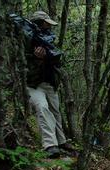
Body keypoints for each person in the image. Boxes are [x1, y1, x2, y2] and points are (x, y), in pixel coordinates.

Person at [25, 11, 69, 158]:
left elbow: (57, 60)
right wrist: (36, 58)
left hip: (50, 83)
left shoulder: (48, 39)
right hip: (33, 84)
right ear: (38, 23)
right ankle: (50, 145)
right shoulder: (25, 42)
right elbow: (23, 68)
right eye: (45, 23)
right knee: (43, 108)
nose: (48, 27)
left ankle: (61, 142)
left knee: (56, 112)